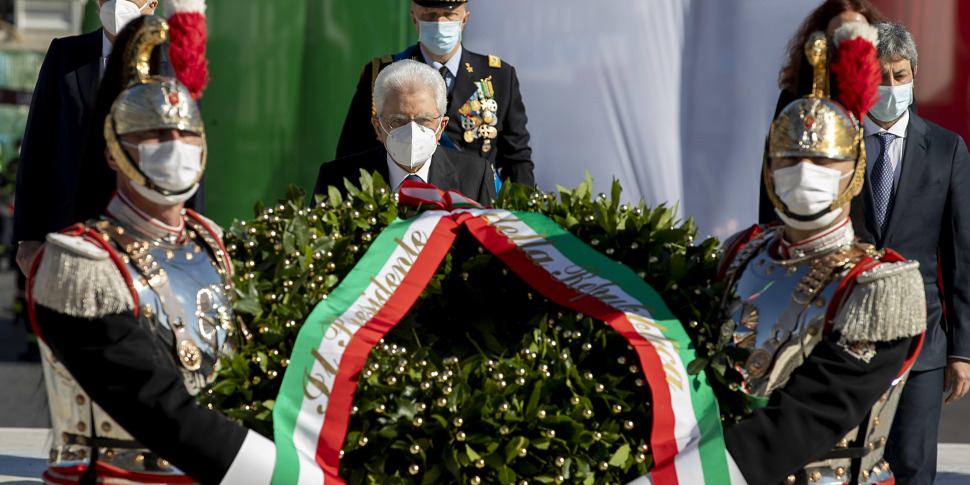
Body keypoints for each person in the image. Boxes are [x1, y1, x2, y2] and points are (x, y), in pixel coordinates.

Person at [28, 17, 274, 485]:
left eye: (187, 136)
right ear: (113, 150)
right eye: (155, 135)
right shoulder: (80, 263)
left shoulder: (210, 238)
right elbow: (155, 403)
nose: (174, 147)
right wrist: (276, 471)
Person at [719, 27, 925, 484]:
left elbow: (813, 414)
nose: (804, 172)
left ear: (853, 166)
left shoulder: (883, 285)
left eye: (823, 160)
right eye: (788, 159)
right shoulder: (741, 253)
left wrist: (699, 474)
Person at [14, 0, 202, 278]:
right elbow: (38, 148)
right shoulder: (66, 55)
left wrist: (192, 241)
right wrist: (28, 238)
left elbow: (189, 157)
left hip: (150, 237)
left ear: (152, 2)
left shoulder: (176, 61)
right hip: (72, 231)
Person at [857, 21, 970, 485]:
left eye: (899, 75)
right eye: (880, 76)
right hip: (844, 341)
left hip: (920, 344)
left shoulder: (946, 149)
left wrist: (962, 351)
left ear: (915, 75)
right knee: (838, 467)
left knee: (913, 468)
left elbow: (961, 258)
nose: (890, 86)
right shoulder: (836, 147)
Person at [335, 0, 534, 187]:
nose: (440, 23)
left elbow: (517, 159)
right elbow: (352, 154)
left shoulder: (497, 76)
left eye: (449, 15)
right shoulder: (381, 74)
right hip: (402, 199)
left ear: (464, 19)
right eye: (430, 15)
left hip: (473, 204)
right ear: (415, 18)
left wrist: (522, 214)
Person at [759, 0, 887, 232]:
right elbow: (778, 163)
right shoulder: (795, 98)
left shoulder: (889, 96)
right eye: (841, 36)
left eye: (859, 36)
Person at [316, 59, 496, 206]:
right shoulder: (337, 179)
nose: (412, 130)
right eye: (398, 121)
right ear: (378, 128)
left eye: (424, 120)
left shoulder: (475, 176)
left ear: (441, 127)